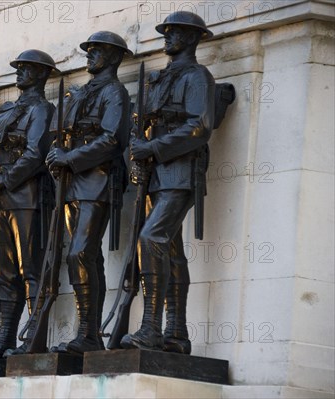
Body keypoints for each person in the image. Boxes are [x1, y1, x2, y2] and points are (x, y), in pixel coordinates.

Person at [121, 11, 216, 354]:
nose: (168, 36)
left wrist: (153, 147)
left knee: (152, 238)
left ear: (192, 38)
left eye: (176, 32)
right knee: (172, 253)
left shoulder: (197, 76)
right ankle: (176, 333)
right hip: (155, 175)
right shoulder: (158, 80)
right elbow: (140, 125)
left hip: (180, 171)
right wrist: (137, 150)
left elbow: (199, 126)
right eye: (168, 31)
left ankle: (150, 329)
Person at [46, 31, 132, 354]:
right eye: (90, 49)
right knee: (88, 257)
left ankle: (87, 333)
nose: (90, 54)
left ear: (113, 57)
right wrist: (57, 154)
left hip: (98, 180)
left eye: (97, 50)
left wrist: (69, 157)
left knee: (79, 253)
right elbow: (61, 131)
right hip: (71, 184)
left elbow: (112, 140)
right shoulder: (80, 93)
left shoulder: (115, 93)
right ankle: (91, 334)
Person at [0, 49, 56, 358]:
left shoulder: (42, 109)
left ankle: (33, 337)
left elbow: (36, 152)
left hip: (27, 197)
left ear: (41, 74)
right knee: (5, 273)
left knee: (31, 270)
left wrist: (4, 179)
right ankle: (5, 337)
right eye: (19, 67)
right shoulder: (6, 111)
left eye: (27, 68)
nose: (20, 71)